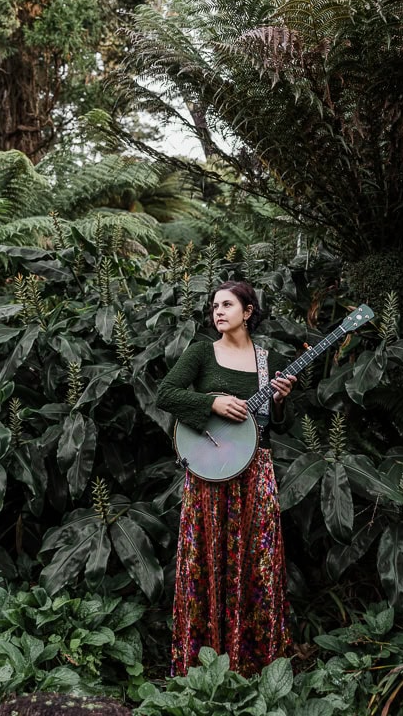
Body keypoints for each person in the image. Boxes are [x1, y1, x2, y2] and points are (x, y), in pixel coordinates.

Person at [157, 280, 295, 677]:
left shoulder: (266, 360)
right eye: (214, 305)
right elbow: (165, 394)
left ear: (248, 312)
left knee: (259, 565)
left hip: (256, 474)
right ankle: (201, 669)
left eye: (228, 304)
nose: (218, 311)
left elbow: (272, 426)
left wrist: (280, 401)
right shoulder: (202, 352)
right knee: (206, 563)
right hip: (208, 476)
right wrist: (211, 401)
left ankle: (254, 666)